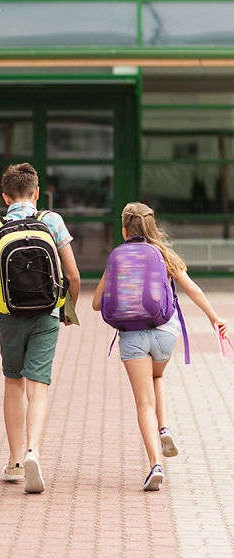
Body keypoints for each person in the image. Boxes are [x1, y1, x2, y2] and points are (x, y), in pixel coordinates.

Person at [0, 163, 81, 494]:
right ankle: (33, 452)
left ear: (4, 196)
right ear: (37, 193)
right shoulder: (51, 221)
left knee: (14, 381)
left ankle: (14, 459)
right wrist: (67, 308)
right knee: (38, 385)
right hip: (47, 314)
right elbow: (73, 275)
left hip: (9, 315)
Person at [92, 203, 228, 492]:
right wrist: (215, 318)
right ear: (152, 227)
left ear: (125, 229)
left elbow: (96, 303)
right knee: (158, 377)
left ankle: (155, 465)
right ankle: (164, 427)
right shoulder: (164, 255)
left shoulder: (116, 259)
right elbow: (192, 289)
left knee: (144, 403)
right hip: (165, 333)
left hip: (132, 336)